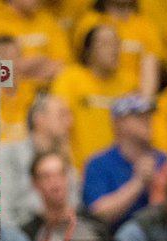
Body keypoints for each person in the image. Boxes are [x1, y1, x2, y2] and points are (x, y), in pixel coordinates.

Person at [50, 25, 136, 169]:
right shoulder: (70, 78)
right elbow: (58, 123)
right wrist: (67, 166)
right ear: (88, 51)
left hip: (119, 171)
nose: (114, 50)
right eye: (106, 44)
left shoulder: (129, 84)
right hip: (79, 168)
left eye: (117, 43)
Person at [82, 92, 163, 230]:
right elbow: (98, 214)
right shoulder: (98, 165)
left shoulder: (165, 160)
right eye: (138, 115)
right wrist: (139, 182)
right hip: (111, 240)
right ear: (119, 123)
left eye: (149, 115)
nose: (148, 120)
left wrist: (156, 185)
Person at [1, 91, 77, 227]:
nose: (69, 122)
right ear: (39, 119)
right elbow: (1, 207)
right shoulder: (9, 154)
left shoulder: (65, 158)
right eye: (61, 115)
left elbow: (74, 203)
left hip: (59, 232)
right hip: (18, 232)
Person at [21, 149, 110, 241]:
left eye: (61, 174)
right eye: (47, 177)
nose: (55, 183)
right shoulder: (29, 234)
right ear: (35, 183)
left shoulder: (94, 227)